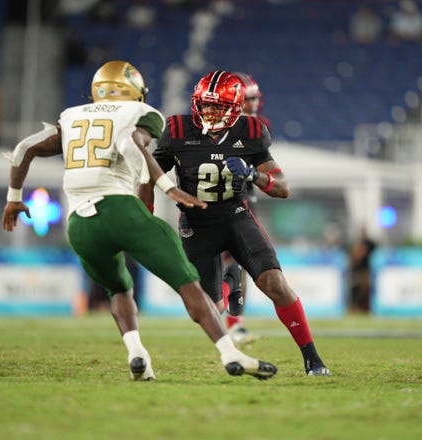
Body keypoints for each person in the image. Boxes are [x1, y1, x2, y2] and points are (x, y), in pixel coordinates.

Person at [1, 60, 277, 381]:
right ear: (135, 91)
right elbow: (131, 146)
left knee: (118, 288)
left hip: (79, 224)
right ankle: (231, 353)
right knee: (188, 283)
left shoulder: (70, 116)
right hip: (120, 210)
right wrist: (170, 189)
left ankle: (137, 354)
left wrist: (14, 198)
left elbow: (23, 149)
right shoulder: (140, 114)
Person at [141, 70, 331, 376]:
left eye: (217, 106)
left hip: (235, 215)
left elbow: (283, 188)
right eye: (205, 105)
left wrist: (253, 174)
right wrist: (144, 211)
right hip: (196, 224)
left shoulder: (251, 131)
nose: (209, 112)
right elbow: (148, 174)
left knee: (275, 283)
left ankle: (312, 358)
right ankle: (232, 284)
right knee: (208, 311)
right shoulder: (176, 130)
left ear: (235, 108)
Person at [219, 72, 270, 347]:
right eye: (248, 98)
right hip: (226, 203)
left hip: (246, 201)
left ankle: (234, 323)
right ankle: (225, 321)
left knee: (242, 265)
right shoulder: (219, 127)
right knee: (229, 265)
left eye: (255, 98)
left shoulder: (257, 126)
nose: (254, 103)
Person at [348, 226, 376, 313]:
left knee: (366, 289)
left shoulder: (369, 243)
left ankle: (366, 307)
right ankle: (357, 307)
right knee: (358, 288)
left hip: (366, 270)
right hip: (359, 270)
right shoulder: (358, 242)